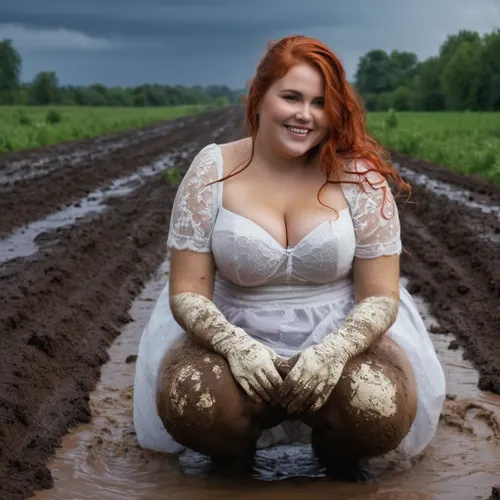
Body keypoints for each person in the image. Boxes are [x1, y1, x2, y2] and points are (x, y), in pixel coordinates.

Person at [133, 35, 446, 481]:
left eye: (320, 103)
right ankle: (233, 466)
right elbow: (185, 291)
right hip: (232, 330)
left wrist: (334, 352)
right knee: (198, 404)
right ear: (260, 98)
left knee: (374, 408)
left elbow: (381, 296)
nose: (305, 115)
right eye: (292, 97)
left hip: (339, 333)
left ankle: (338, 464)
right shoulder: (213, 170)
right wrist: (234, 347)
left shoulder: (360, 177)